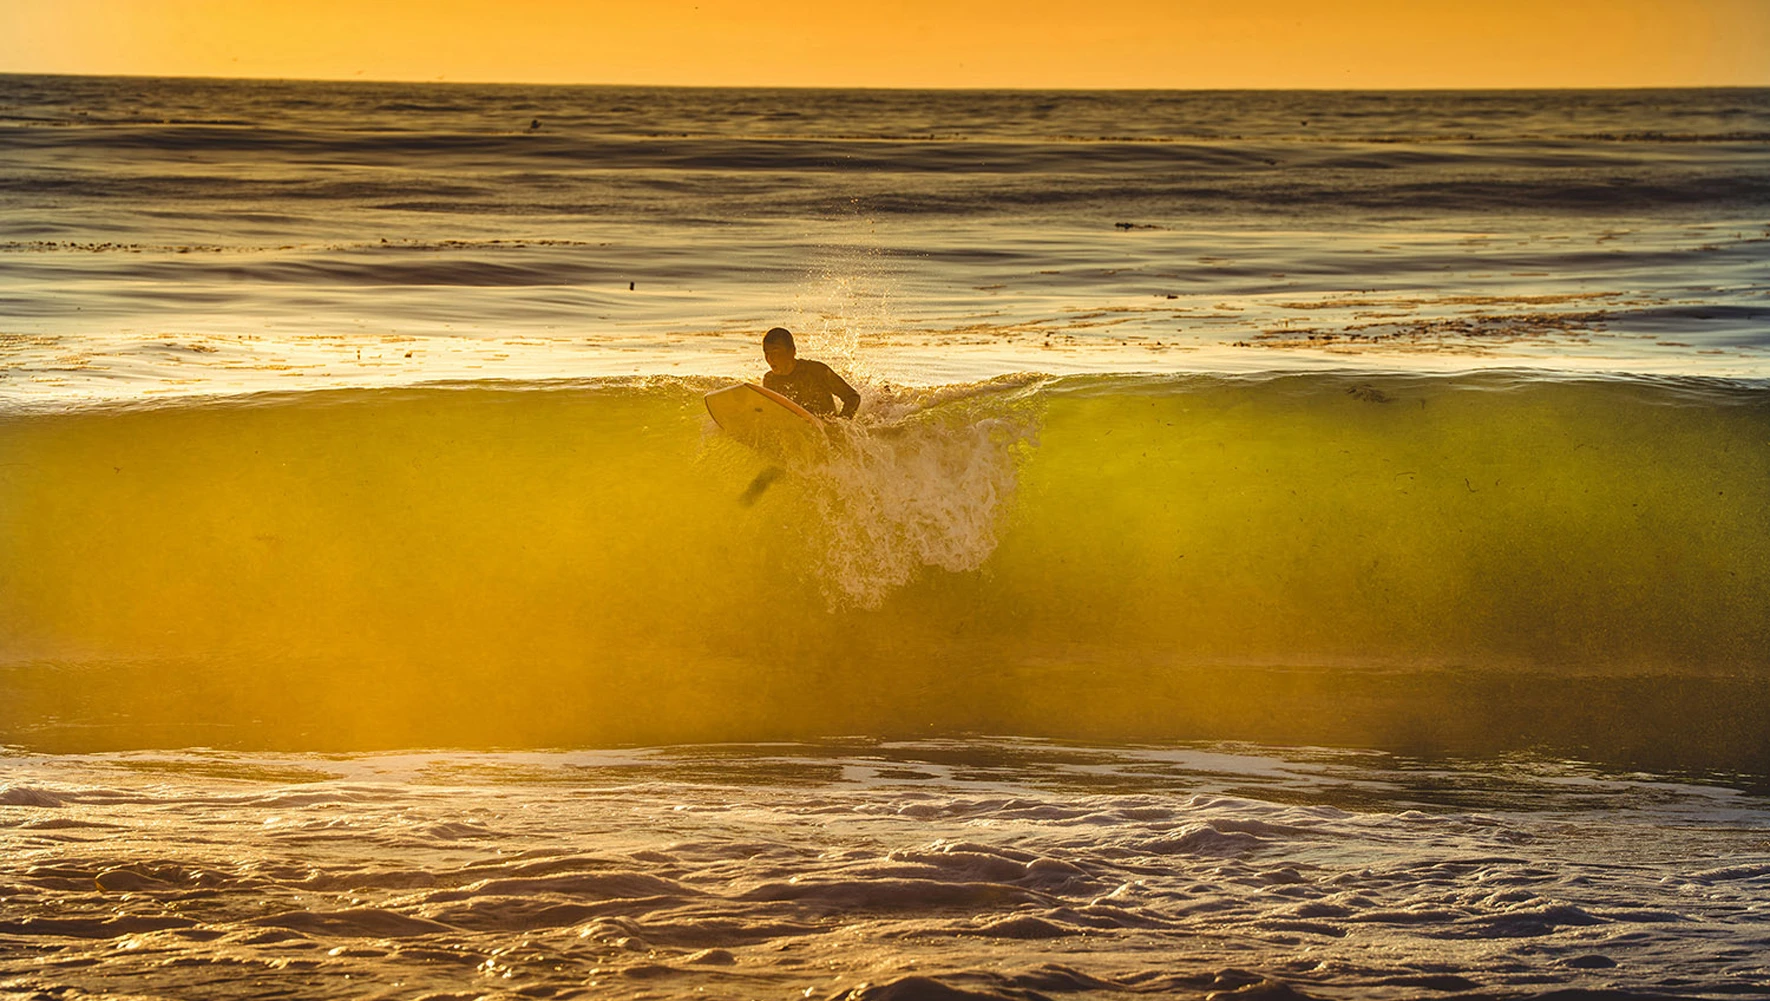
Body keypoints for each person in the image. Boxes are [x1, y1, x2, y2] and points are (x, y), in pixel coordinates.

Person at [761, 327, 860, 419]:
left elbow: (852, 397)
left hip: (825, 427)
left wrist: (840, 423)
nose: (770, 358)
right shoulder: (770, 380)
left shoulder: (817, 371)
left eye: (775, 352)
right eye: (766, 353)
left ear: (792, 351)